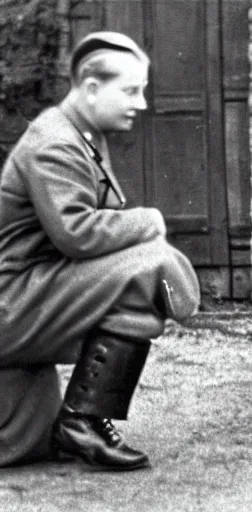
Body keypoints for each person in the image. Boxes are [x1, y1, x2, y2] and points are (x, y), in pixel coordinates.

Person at [0, 32, 200, 470]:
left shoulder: (81, 132)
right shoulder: (54, 142)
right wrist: (149, 223)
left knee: (25, 444)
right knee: (149, 268)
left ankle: (75, 421)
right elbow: (77, 233)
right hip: (11, 302)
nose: (142, 103)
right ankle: (83, 422)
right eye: (130, 90)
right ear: (91, 88)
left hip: (31, 294)